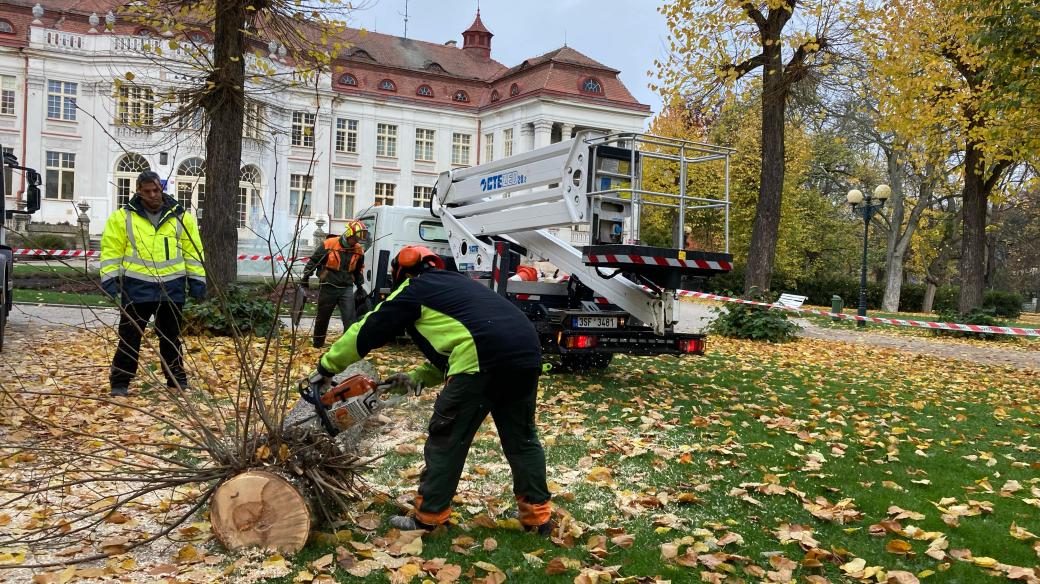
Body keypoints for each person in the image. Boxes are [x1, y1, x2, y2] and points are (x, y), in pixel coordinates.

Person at [307, 245, 553, 535]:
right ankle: (537, 517)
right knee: (522, 438)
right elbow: (464, 345)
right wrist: (414, 378)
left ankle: (429, 517)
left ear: (401, 272)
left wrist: (327, 366)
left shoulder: (413, 290)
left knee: (447, 438)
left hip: (482, 358)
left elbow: (368, 329)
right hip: (526, 356)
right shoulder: (459, 286)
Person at [100, 171, 206, 397]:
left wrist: (197, 280)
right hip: (136, 289)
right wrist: (109, 279)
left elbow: (193, 251)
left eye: (156, 190)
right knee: (129, 338)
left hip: (172, 289)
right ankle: (120, 383)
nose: (152, 195)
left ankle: (177, 380)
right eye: (147, 191)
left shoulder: (181, 217)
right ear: (138, 191)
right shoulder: (122, 217)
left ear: (162, 189)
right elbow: (111, 250)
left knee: (170, 338)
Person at [301, 219, 367, 348]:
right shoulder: (330, 244)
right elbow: (314, 260)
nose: (357, 242)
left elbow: (358, 269)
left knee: (350, 318)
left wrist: (360, 286)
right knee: (323, 317)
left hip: (346, 287)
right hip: (328, 285)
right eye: (355, 238)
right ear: (348, 235)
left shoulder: (358, 250)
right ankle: (318, 343)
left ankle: (348, 346)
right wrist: (306, 276)